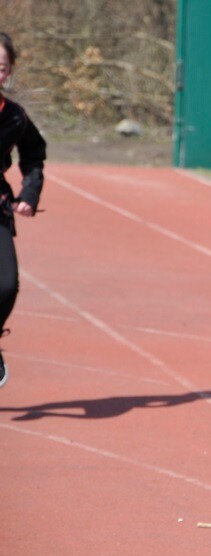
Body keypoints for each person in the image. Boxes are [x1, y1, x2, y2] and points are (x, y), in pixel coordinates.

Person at [0, 32, 46, 388]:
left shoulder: (15, 117)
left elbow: (34, 155)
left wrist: (29, 192)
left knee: (6, 286)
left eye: (1, 68)